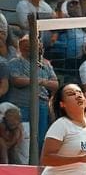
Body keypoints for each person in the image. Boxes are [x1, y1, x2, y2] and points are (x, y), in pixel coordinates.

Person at [8, 35, 59, 163]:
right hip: (22, 105)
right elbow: (16, 80)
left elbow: (55, 84)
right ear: (22, 48)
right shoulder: (15, 62)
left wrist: (38, 81)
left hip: (41, 105)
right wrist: (41, 81)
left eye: (35, 46)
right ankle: (21, 165)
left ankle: (38, 164)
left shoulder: (45, 64)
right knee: (22, 137)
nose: (32, 49)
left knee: (40, 137)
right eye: (28, 47)